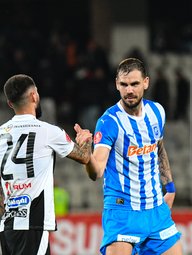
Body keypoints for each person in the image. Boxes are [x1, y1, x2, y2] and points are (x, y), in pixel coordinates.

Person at [81, 58, 182, 255]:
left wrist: (169, 187)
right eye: (124, 85)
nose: (129, 91)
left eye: (135, 84)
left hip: (156, 210)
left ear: (146, 82)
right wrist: (86, 156)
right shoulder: (109, 121)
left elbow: (158, 148)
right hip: (122, 212)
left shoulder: (157, 112)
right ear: (117, 84)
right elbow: (97, 172)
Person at [0, 74, 92, 255]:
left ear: (10, 104)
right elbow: (85, 158)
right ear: (34, 96)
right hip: (33, 225)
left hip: (6, 228)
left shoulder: (0, 134)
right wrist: (86, 141)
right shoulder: (48, 131)